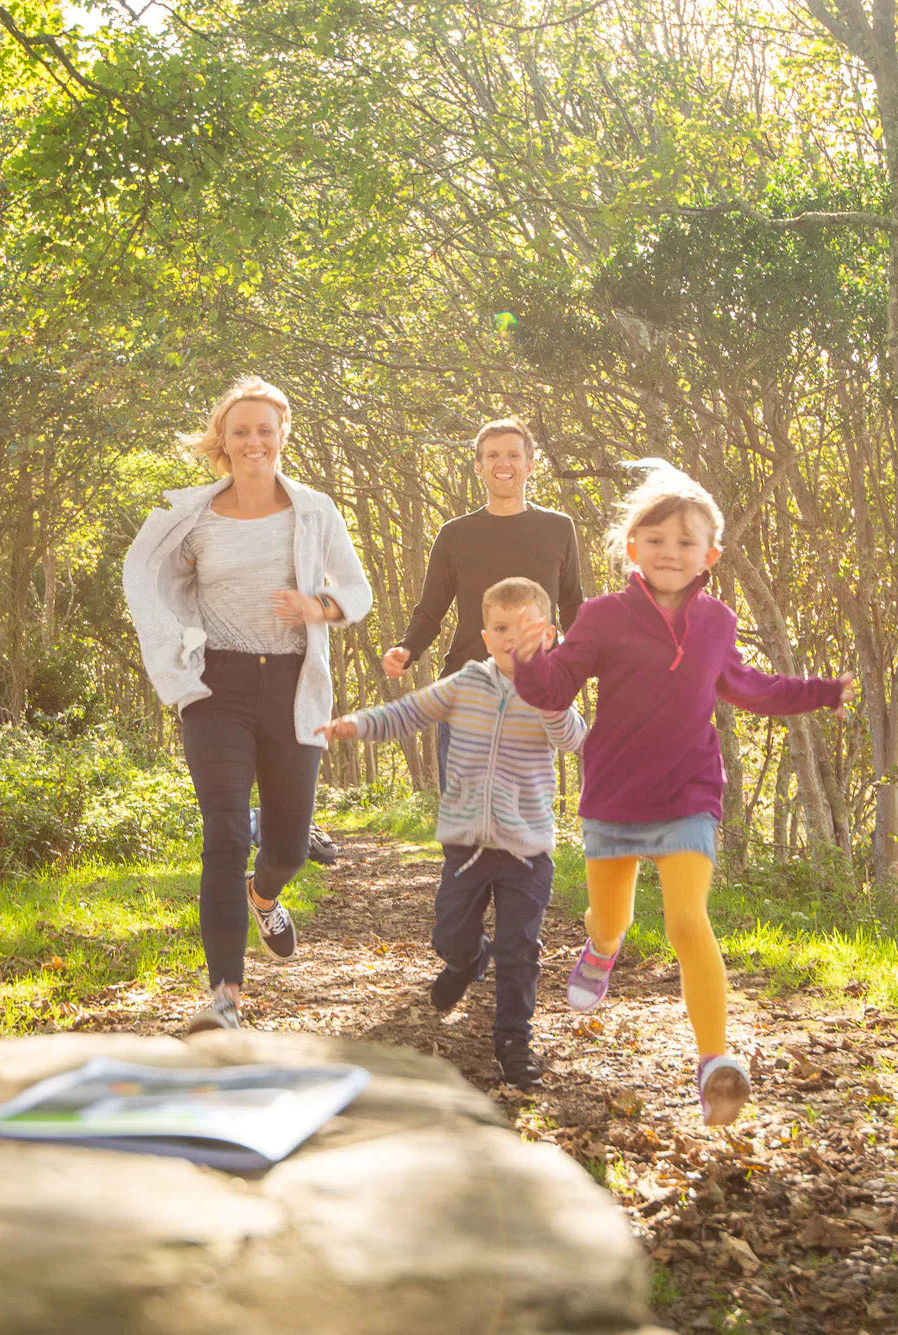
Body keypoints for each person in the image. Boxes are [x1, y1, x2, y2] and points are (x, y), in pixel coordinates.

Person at [511, 459, 854, 1126]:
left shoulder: (717, 621)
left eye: (685, 541)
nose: (670, 551)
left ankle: (714, 1061)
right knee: (610, 919)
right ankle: (601, 948)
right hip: (614, 791)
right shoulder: (601, 616)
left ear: (709, 555)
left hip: (689, 790)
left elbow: (750, 687)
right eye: (656, 539)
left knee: (687, 920)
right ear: (632, 547)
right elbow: (553, 688)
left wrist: (820, 692)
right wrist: (528, 658)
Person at [123, 375, 372, 1034]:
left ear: (282, 435)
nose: (254, 441)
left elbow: (357, 589)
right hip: (218, 688)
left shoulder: (314, 509)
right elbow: (148, 579)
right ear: (223, 442)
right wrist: (176, 654)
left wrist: (318, 606)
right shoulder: (191, 517)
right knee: (225, 834)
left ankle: (264, 895)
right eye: (241, 431)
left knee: (287, 847)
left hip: (293, 687)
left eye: (265, 429)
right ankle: (224, 1000)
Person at [323, 577, 587, 1089]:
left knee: (520, 948)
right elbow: (409, 712)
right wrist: (357, 724)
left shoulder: (553, 690)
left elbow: (573, 738)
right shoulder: (467, 683)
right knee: (449, 933)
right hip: (466, 844)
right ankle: (467, 960)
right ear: (485, 638)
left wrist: (546, 694)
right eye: (500, 628)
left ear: (548, 635)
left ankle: (513, 1039)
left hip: (527, 850)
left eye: (523, 628)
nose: (511, 638)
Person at [382, 418, 583, 783]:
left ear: (530, 464)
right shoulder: (455, 535)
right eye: (492, 455)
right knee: (465, 814)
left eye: (513, 455)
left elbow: (572, 607)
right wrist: (406, 649)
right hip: (467, 693)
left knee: (525, 813)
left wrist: (590, 660)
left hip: (535, 695)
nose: (503, 463)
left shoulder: (558, 528)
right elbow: (430, 611)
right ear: (478, 465)